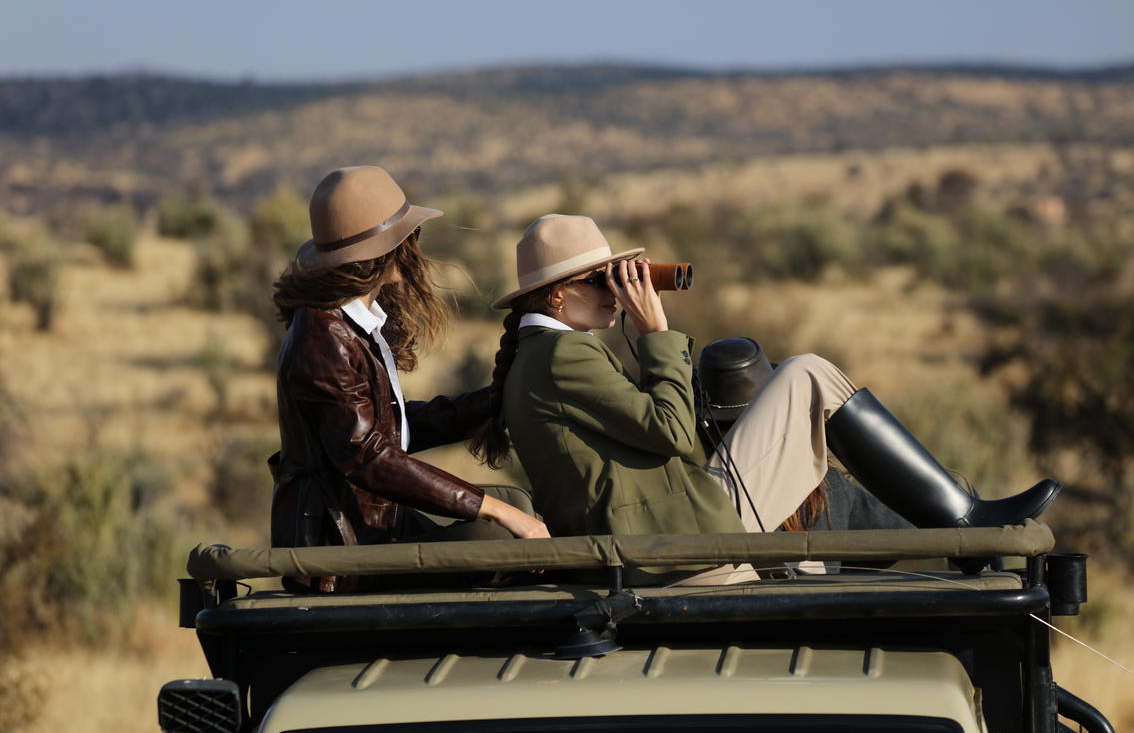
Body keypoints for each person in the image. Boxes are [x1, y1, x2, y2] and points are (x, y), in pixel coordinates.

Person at [471, 213, 1059, 579]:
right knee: (808, 373)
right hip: (671, 541)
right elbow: (671, 430)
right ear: (556, 296)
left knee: (809, 406)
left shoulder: (539, 359)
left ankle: (959, 519)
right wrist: (655, 334)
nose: (614, 291)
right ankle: (964, 519)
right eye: (599, 280)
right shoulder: (561, 355)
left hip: (661, 531)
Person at [270, 166, 548, 593]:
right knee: (499, 530)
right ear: (383, 252)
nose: (416, 246)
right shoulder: (323, 338)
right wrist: (492, 510)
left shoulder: (350, 322)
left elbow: (391, 427)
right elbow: (368, 457)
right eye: (410, 235)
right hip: (342, 550)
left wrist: (495, 402)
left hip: (373, 524)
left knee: (514, 504)